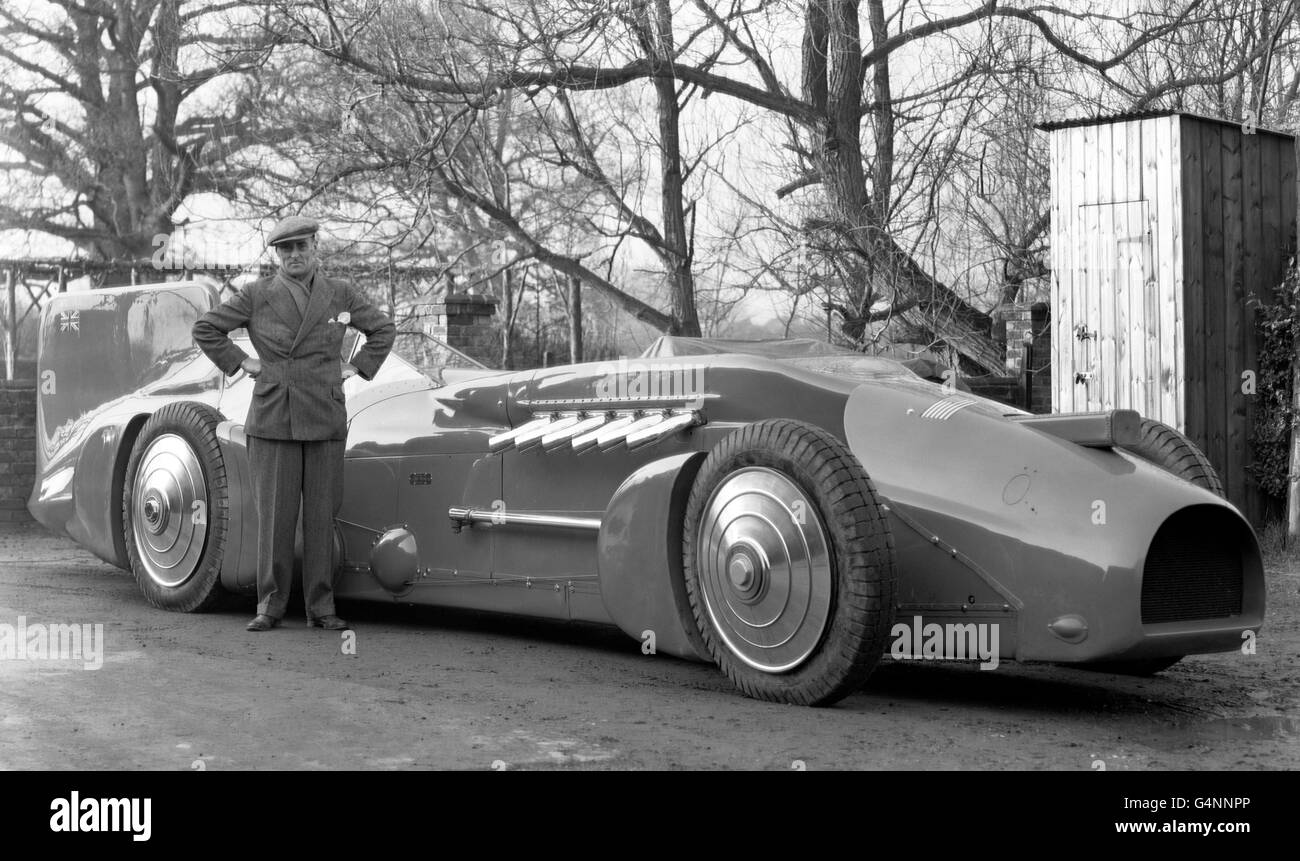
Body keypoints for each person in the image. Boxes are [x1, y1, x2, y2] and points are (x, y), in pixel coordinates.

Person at [192, 215, 395, 632]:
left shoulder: (340, 293)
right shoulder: (256, 294)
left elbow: (383, 329)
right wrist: (243, 362)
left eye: (302, 246)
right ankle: (270, 605)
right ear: (277, 255)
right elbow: (206, 328)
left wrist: (356, 368)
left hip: (324, 412)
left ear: (315, 247)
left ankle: (321, 607)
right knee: (275, 518)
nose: (295, 255)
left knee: (322, 516)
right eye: (287, 250)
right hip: (273, 416)